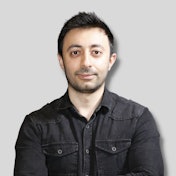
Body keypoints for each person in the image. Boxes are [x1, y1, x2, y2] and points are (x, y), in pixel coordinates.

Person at [14, 12, 164, 176]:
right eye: (75, 53)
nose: (86, 62)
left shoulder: (138, 119)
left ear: (111, 60)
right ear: (61, 61)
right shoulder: (36, 125)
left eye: (96, 52)